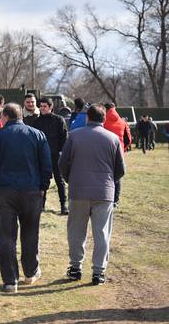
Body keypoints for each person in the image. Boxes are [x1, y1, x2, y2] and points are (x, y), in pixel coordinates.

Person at [0, 103, 52, 293]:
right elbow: (46, 164)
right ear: (20, 116)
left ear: (4, 117)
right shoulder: (37, 135)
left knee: (6, 237)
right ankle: (30, 271)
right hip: (31, 190)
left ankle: (11, 280)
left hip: (4, 191)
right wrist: (43, 186)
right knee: (30, 233)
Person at [59, 104, 125, 285]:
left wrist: (70, 179)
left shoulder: (74, 136)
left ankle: (75, 268)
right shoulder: (113, 139)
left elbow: (62, 162)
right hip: (104, 192)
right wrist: (109, 182)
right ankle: (99, 271)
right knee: (102, 233)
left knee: (76, 231)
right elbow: (120, 169)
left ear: (87, 117)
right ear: (103, 119)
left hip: (78, 190)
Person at [32, 97, 69, 215]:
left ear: (50, 107)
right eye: (41, 106)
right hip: (42, 156)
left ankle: (63, 205)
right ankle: (41, 204)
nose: (42, 109)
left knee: (60, 180)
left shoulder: (59, 120)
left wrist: (62, 152)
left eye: (45, 106)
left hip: (56, 155)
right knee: (42, 181)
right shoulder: (37, 122)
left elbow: (64, 137)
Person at [103, 103, 131, 207]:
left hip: (105, 152)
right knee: (118, 176)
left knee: (105, 175)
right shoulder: (123, 122)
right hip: (118, 152)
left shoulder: (102, 121)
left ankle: (106, 197)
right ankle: (115, 200)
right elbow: (129, 139)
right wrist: (122, 149)